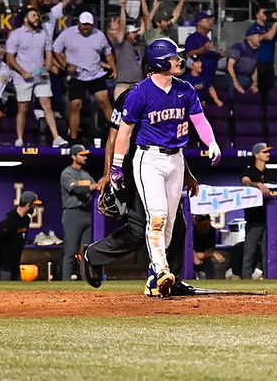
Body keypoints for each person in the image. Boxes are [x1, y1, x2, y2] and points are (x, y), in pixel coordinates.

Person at [107, 38, 221, 296]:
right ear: (159, 62)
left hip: (176, 159)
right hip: (150, 159)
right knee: (156, 217)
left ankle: (153, 277)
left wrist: (211, 142)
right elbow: (123, 134)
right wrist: (116, 166)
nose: (179, 60)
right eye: (173, 57)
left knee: (169, 223)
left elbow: (199, 120)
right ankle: (161, 271)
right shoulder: (139, 93)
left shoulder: (185, 89)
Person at [82, 69, 202, 297]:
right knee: (140, 230)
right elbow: (114, 137)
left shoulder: (176, 92)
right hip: (137, 167)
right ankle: (94, 254)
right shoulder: (132, 95)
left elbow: (173, 141)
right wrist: (109, 173)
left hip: (166, 164)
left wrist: (186, 173)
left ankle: (168, 278)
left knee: (177, 225)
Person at [5, 8, 68, 147]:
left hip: (40, 76)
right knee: (23, 108)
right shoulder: (16, 35)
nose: (37, 18)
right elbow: (10, 58)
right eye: (33, 15)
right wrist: (23, 72)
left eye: (38, 15)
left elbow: (49, 54)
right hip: (22, 77)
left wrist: (47, 67)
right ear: (25, 19)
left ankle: (56, 137)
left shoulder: (43, 34)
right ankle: (20, 139)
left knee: (47, 105)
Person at [52, 11, 116, 143]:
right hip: (77, 76)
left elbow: (108, 53)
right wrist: (65, 66)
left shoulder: (99, 35)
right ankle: (73, 138)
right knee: (75, 105)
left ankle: (117, 133)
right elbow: (56, 49)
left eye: (89, 25)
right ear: (78, 23)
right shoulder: (67, 34)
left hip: (95, 73)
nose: (86, 27)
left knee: (105, 102)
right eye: (84, 24)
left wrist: (114, 68)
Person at [241, 143, 277, 280]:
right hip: (254, 217)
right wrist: (258, 185)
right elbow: (245, 181)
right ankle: (246, 279)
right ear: (256, 155)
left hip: (269, 219)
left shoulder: (271, 172)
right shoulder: (249, 171)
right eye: (264, 152)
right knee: (250, 251)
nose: (268, 154)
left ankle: (269, 279)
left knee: (269, 252)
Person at [0, 191, 41, 281]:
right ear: (29, 204)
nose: (35, 207)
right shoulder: (10, 220)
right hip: (4, 265)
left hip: (15, 264)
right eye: (34, 204)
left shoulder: (26, 220)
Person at [60, 144, 95, 281]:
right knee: (70, 251)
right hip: (72, 214)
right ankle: (66, 281)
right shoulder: (67, 173)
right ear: (74, 157)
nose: (85, 157)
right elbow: (77, 190)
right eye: (82, 155)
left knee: (85, 251)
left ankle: (86, 279)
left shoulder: (86, 174)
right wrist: (93, 186)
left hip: (86, 213)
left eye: (86, 155)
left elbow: (95, 188)